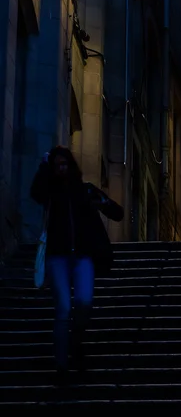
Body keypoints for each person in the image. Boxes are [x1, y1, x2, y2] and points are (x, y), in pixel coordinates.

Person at [30, 146, 123, 384]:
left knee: (84, 302)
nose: (62, 168)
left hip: (83, 256)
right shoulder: (50, 192)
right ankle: (61, 364)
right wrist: (43, 166)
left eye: (65, 164)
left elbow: (117, 212)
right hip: (57, 257)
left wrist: (102, 203)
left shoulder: (85, 191)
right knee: (62, 308)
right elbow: (36, 193)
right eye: (57, 165)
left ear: (71, 166)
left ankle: (77, 342)